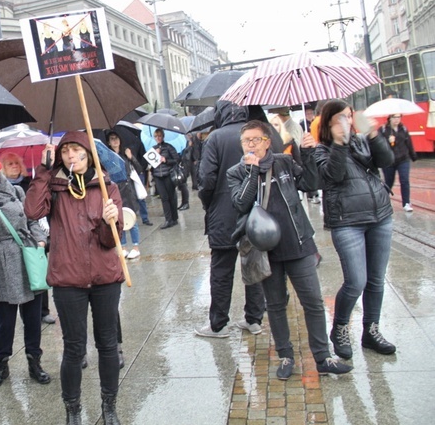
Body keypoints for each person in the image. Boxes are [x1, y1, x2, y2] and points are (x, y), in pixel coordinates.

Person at [227, 121, 353, 378]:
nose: (251, 145)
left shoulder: (283, 162)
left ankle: (323, 357)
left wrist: (306, 153)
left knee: (314, 303)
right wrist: (252, 172)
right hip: (265, 251)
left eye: (256, 139)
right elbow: (240, 203)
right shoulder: (237, 171)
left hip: (298, 243)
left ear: (267, 141)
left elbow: (309, 183)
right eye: (246, 141)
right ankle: (285, 356)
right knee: (274, 305)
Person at [24, 130, 124, 425]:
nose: (70, 155)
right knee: (74, 347)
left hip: (106, 278)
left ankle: (109, 406)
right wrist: (42, 170)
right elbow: (32, 210)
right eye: (65, 151)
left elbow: (110, 241)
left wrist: (110, 221)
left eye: (76, 150)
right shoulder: (54, 186)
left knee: (107, 345)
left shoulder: (108, 186)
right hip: (68, 280)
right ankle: (73, 410)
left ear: (88, 154)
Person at [315, 100, 397, 360]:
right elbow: (334, 176)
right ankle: (339, 328)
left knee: (376, 279)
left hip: (380, 216)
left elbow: (387, 160)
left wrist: (373, 134)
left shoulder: (362, 141)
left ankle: (371, 331)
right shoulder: (320, 150)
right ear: (328, 122)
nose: (347, 122)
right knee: (356, 282)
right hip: (347, 221)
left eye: (349, 116)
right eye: (340, 117)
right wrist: (339, 143)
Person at [0, 152, 51, 390]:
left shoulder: (17, 191)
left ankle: (35, 362)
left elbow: (31, 220)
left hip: (26, 257)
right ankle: (1, 363)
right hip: (0, 261)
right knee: (5, 318)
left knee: (33, 316)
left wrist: (40, 240)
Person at [196, 100, 265, 338]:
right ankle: (254, 319)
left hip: (223, 213)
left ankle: (219, 324)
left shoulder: (215, 138)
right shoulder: (256, 133)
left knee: (222, 271)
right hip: (254, 212)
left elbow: (206, 179)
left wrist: (209, 203)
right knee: (253, 266)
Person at [1, 152, 56, 324]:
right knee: (22, 278)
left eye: (16, 163)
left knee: (39, 271)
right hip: (12, 241)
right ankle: (27, 315)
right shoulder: (1, 188)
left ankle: (43, 311)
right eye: (10, 164)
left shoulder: (28, 183)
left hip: (33, 235)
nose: (15, 166)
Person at [106, 130, 142, 259]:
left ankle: (136, 247)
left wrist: (131, 157)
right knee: (119, 220)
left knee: (132, 218)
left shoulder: (125, 154)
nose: (115, 141)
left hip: (128, 190)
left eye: (117, 138)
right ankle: (124, 246)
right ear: (109, 142)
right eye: (112, 139)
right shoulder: (108, 158)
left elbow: (139, 169)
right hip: (115, 190)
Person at [379, 113, 417, 212]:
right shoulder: (383, 130)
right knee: (389, 182)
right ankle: (382, 201)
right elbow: (378, 145)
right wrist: (388, 140)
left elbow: (409, 143)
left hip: (403, 159)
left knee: (404, 180)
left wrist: (413, 156)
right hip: (388, 161)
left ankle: (406, 203)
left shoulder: (403, 129)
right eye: (394, 117)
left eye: (398, 117)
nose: (397, 119)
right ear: (389, 118)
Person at [150, 128, 180, 229]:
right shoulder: (153, 149)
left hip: (168, 174)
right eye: (156, 136)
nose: (158, 138)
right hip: (158, 176)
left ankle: (174, 218)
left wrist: (165, 160)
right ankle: (168, 219)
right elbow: (150, 163)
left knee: (171, 197)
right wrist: (155, 154)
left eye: (159, 136)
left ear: (163, 136)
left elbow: (176, 159)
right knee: (164, 198)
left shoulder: (168, 147)